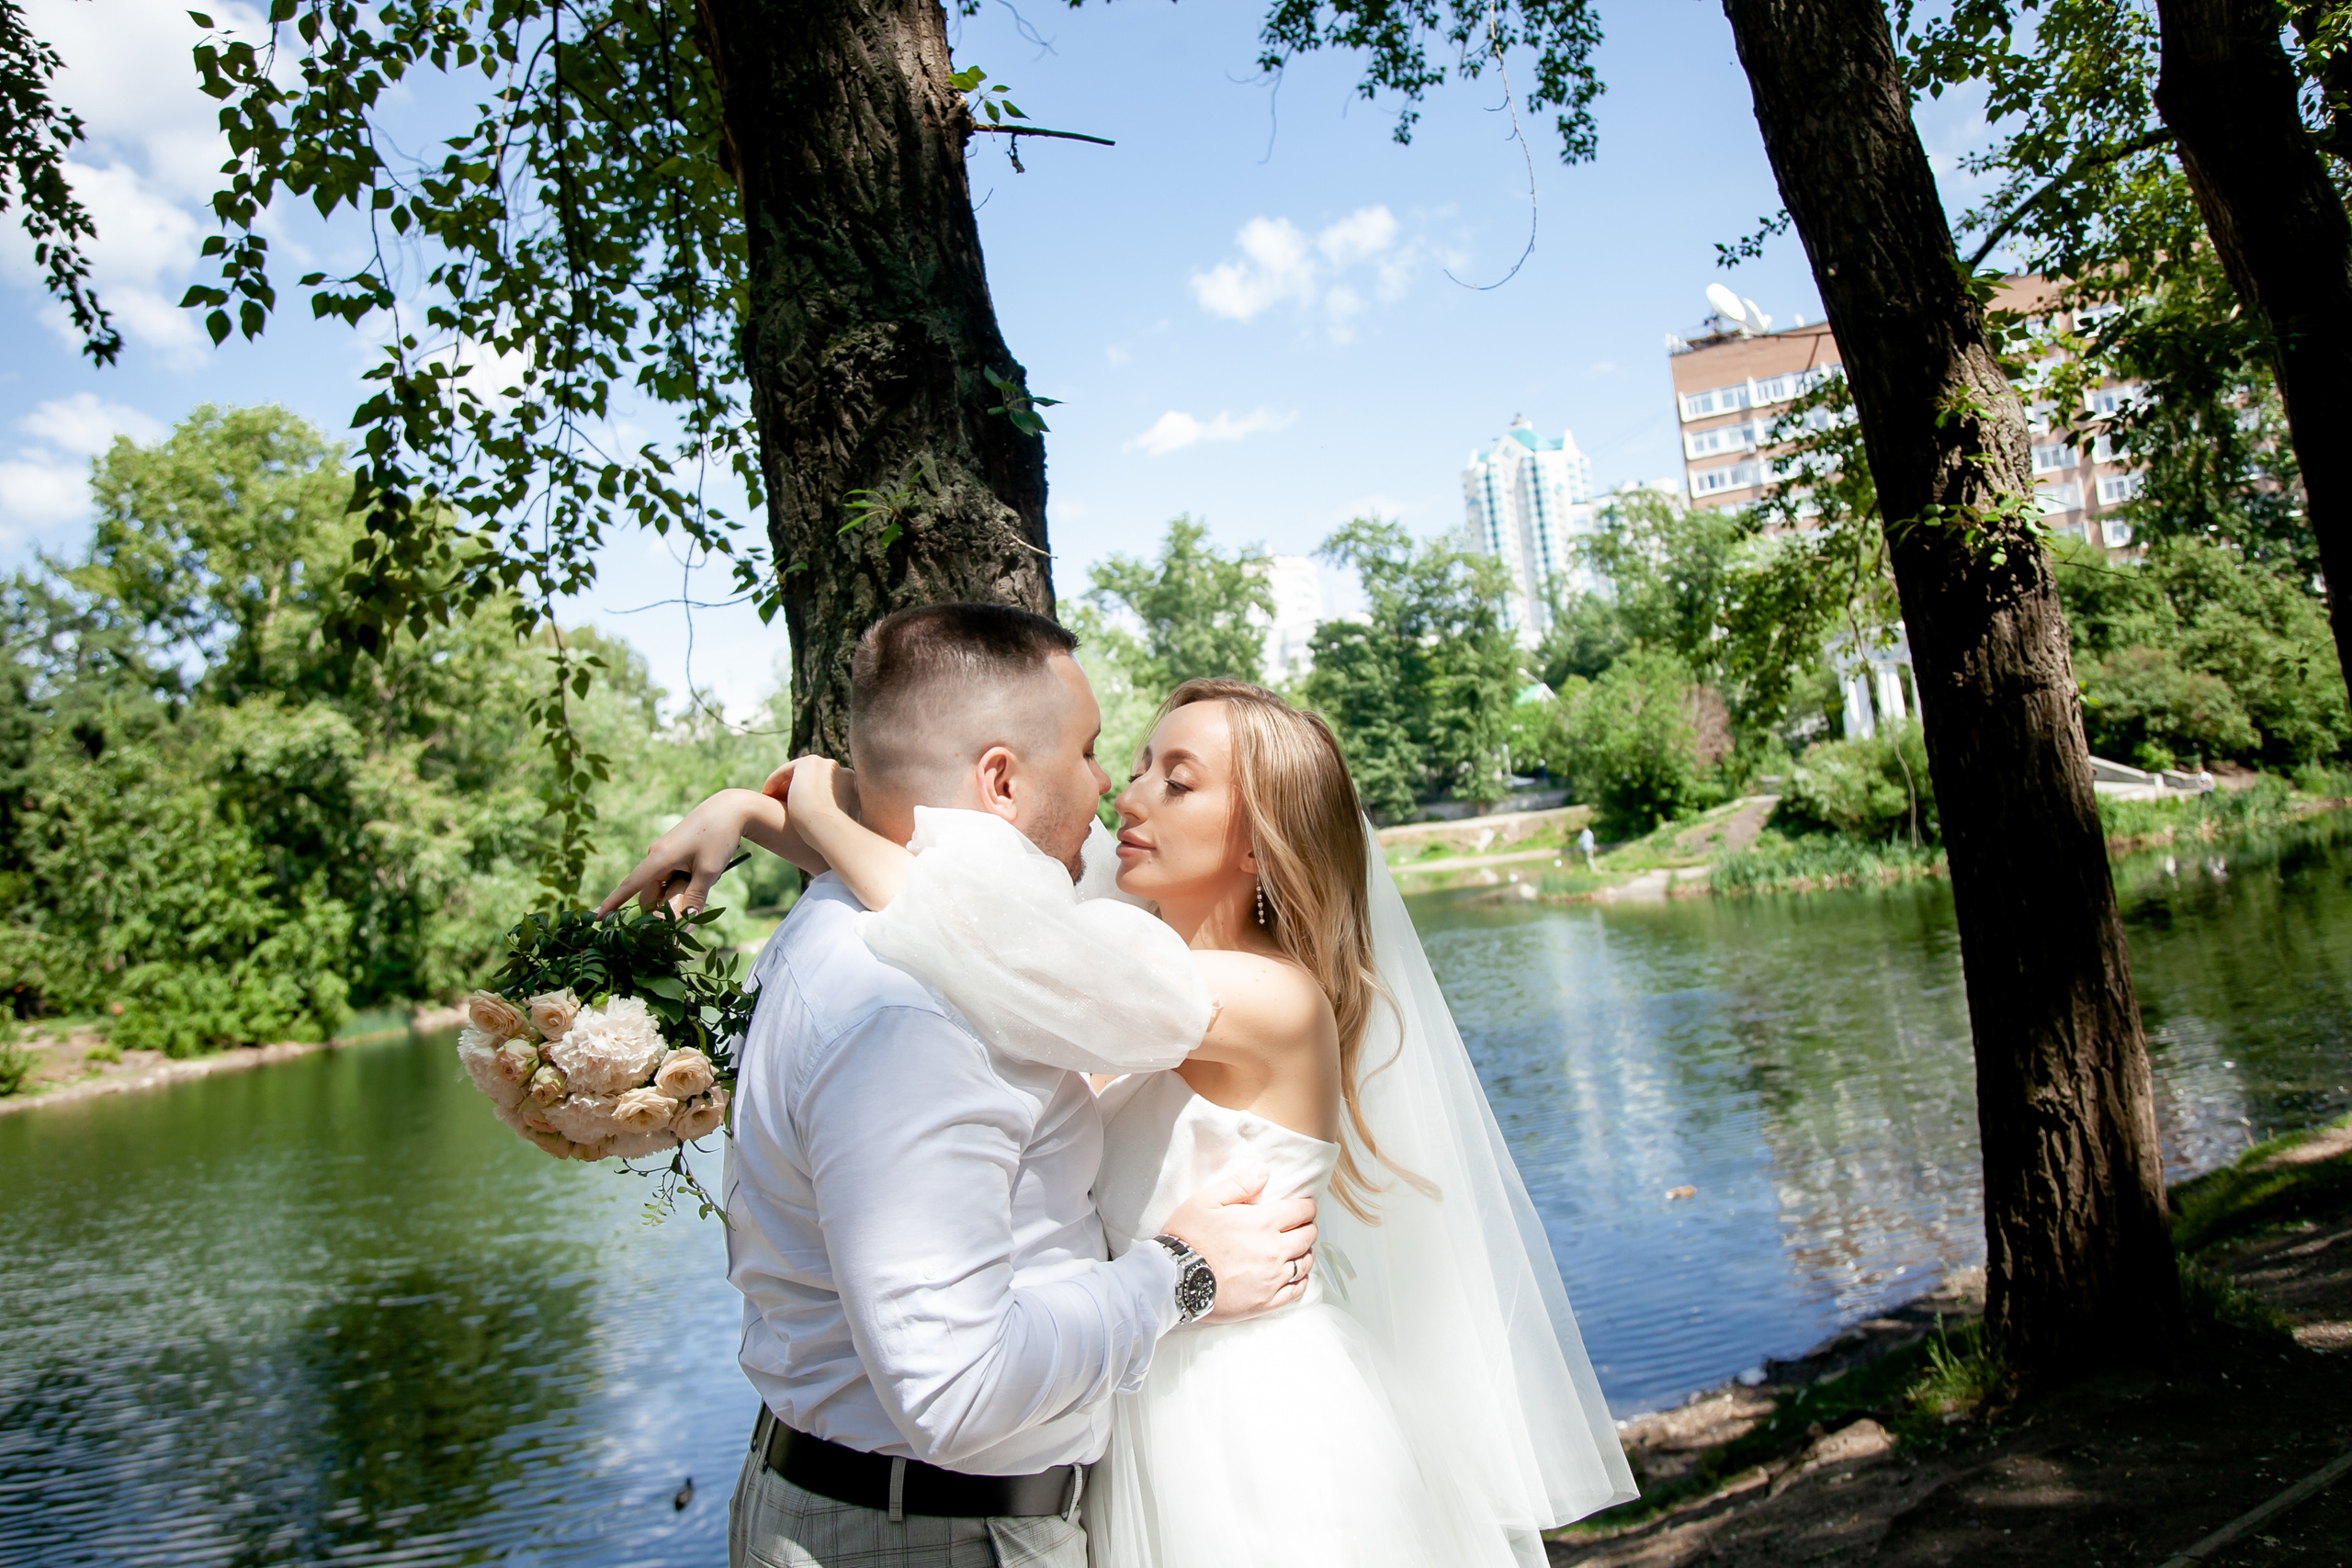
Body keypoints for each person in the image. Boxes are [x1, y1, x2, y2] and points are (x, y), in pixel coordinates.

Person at [767, 679, 1636, 1565]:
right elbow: (951, 851)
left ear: (1260, 843)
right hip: (1137, 1397)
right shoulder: (1130, 955)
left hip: (1253, 1424)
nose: (1128, 796)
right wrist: (751, 815)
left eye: (1178, 783)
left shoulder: (1269, 996)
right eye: (1138, 764)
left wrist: (813, 809)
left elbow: (968, 936)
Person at [603, 605, 1318, 1568]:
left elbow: (973, 918)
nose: (1119, 791)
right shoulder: (928, 1000)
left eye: (1169, 778)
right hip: (949, 1518)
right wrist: (1180, 1273)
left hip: (1173, 1438)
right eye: (1109, 753)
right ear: (1001, 780)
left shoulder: (1026, 954)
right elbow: (956, 1387)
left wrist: (793, 808)